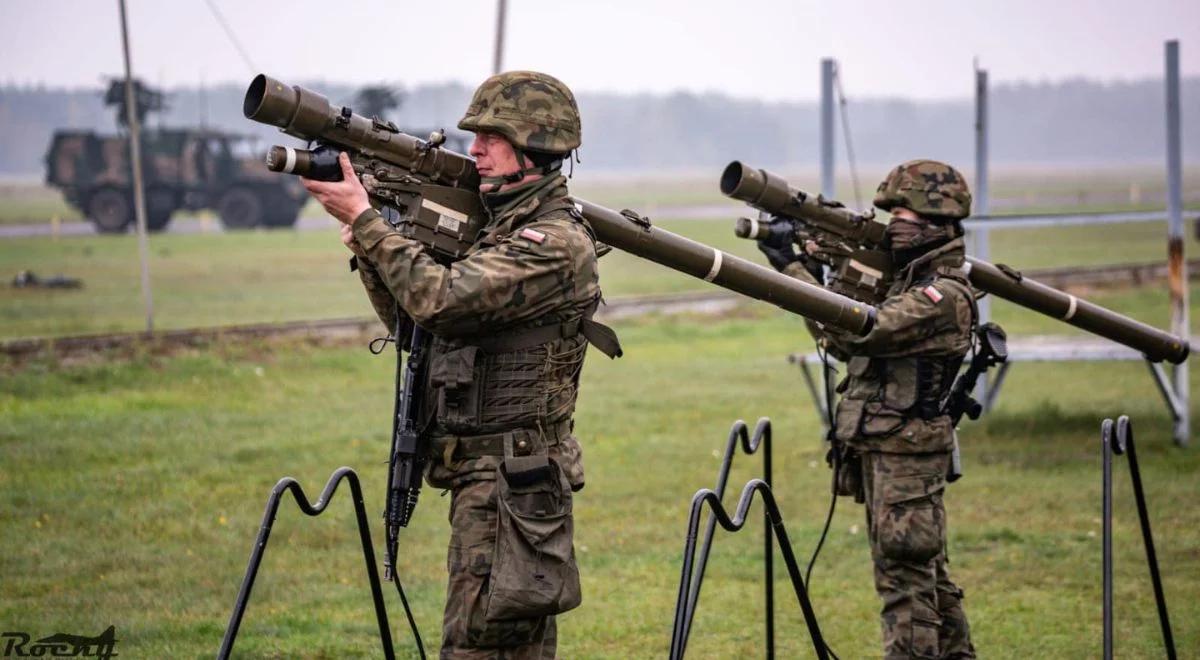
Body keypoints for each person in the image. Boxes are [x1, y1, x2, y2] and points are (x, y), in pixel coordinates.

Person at [302, 70, 620, 659]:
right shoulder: (500, 232)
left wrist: (371, 226)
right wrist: (370, 242)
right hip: (490, 481)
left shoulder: (551, 244)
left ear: (536, 145)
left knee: (480, 649)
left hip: (512, 484)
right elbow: (414, 327)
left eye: (490, 139)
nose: (473, 150)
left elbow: (442, 300)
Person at [758, 160, 978, 659]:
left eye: (908, 211)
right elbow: (844, 345)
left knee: (905, 582)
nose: (896, 220)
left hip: (908, 456)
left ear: (941, 220)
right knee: (926, 576)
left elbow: (867, 328)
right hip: (885, 449)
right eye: (892, 210)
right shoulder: (904, 282)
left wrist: (794, 273)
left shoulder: (942, 294)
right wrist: (805, 272)